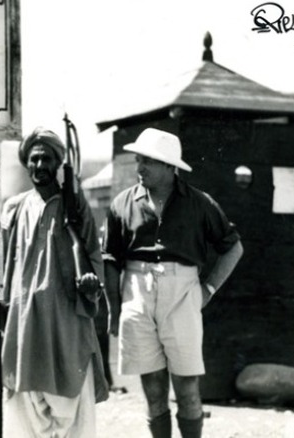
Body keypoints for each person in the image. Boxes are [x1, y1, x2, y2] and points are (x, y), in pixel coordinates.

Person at [102, 128, 243, 438]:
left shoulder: (199, 203)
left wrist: (208, 289)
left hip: (183, 291)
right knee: (153, 390)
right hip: (136, 291)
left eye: (148, 162)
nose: (140, 168)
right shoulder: (122, 204)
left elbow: (233, 246)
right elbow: (110, 259)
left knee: (187, 386)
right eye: (139, 160)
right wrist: (114, 308)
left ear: (170, 166)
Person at [0, 127, 108, 437]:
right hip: (24, 322)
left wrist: (91, 284)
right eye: (34, 159)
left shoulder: (74, 207)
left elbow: (93, 255)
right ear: (26, 163)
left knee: (72, 409)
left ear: (58, 164)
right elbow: (2, 264)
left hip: (66, 319)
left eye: (47, 159)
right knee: (25, 408)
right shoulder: (15, 208)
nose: (40, 166)